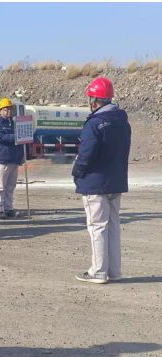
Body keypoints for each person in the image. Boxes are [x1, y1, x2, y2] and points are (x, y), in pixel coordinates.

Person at [72, 77, 131, 284]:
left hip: (95, 183)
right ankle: (114, 270)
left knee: (97, 226)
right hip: (116, 181)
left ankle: (98, 272)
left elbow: (86, 154)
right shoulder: (122, 122)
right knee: (113, 226)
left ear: (94, 101)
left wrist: (77, 172)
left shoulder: (94, 124)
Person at [0, 98, 24, 219]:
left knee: (10, 187)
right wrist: (15, 137)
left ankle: (8, 208)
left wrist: (21, 156)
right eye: (6, 109)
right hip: (2, 160)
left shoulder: (14, 123)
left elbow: (20, 140)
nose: (8, 111)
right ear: (0, 111)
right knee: (0, 186)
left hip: (14, 160)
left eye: (10, 109)